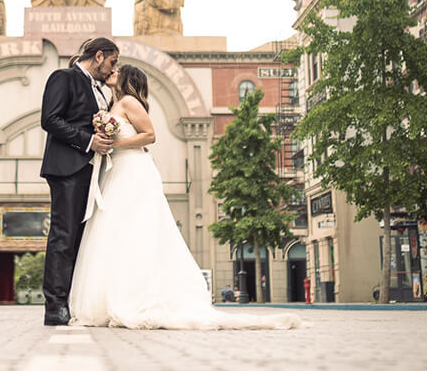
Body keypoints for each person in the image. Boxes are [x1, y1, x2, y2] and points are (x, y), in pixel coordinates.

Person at [69, 65, 301, 330]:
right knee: (116, 232)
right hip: (116, 172)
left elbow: (150, 135)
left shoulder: (129, 101)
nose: (112, 71)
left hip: (133, 170)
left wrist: (114, 144)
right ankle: (113, 297)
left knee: (135, 230)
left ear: (128, 78)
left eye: (118, 70)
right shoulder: (113, 103)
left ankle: (137, 298)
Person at [39, 37, 119, 326]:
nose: (113, 69)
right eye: (112, 62)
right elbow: (50, 119)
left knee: (82, 239)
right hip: (67, 169)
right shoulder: (64, 77)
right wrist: (88, 141)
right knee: (64, 236)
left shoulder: (100, 89)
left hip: (91, 171)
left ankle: (74, 302)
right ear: (98, 56)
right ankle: (55, 307)